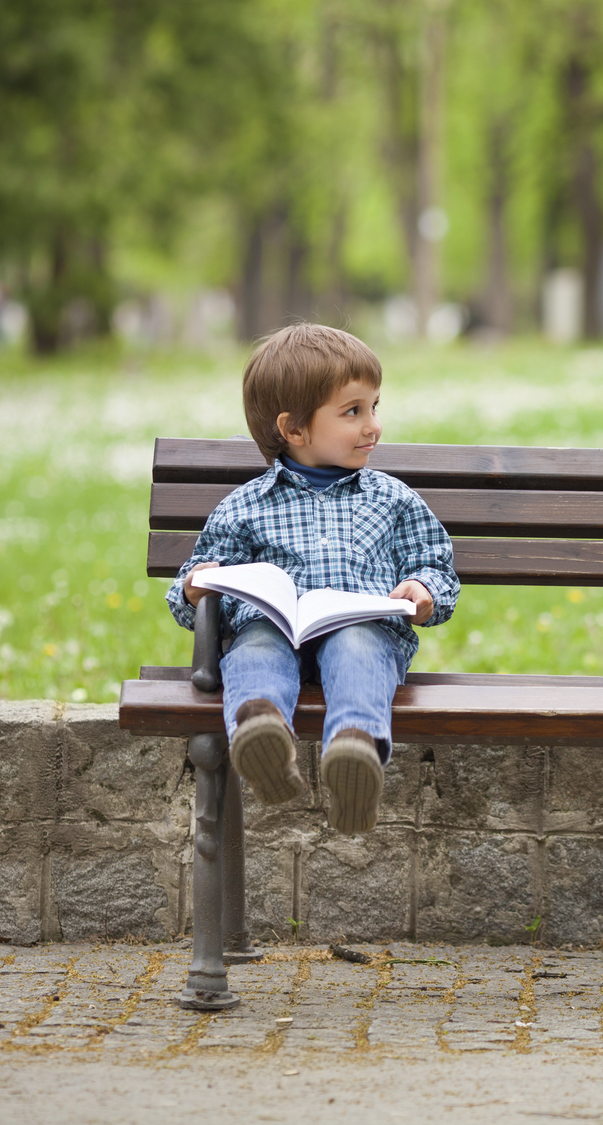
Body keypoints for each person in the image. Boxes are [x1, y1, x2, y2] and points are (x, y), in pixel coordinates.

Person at [166, 324, 460, 833]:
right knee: (254, 649)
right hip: (272, 627)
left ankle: (355, 754)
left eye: (374, 406)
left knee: (358, 648)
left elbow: (435, 563)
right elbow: (188, 594)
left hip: (361, 625)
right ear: (295, 429)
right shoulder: (244, 506)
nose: (374, 426)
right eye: (353, 411)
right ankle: (263, 738)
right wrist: (197, 585)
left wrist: (424, 590)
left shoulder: (391, 498)